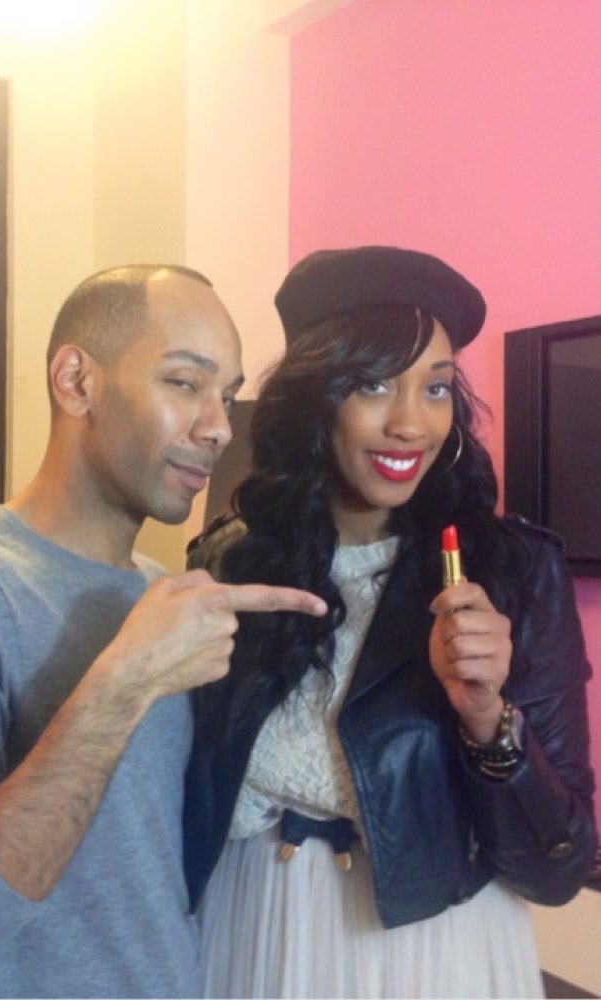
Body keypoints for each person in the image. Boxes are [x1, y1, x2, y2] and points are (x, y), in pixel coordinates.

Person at [0, 264, 327, 999]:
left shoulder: (167, 597)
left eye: (226, 396)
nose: (219, 427)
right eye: (185, 383)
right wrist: (125, 682)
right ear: (77, 382)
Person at [184, 246, 598, 999]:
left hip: (430, 949)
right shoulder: (230, 561)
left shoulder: (511, 573)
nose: (411, 424)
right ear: (314, 397)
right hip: (250, 926)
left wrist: (486, 716)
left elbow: (557, 870)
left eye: (435, 387)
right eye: (373, 383)